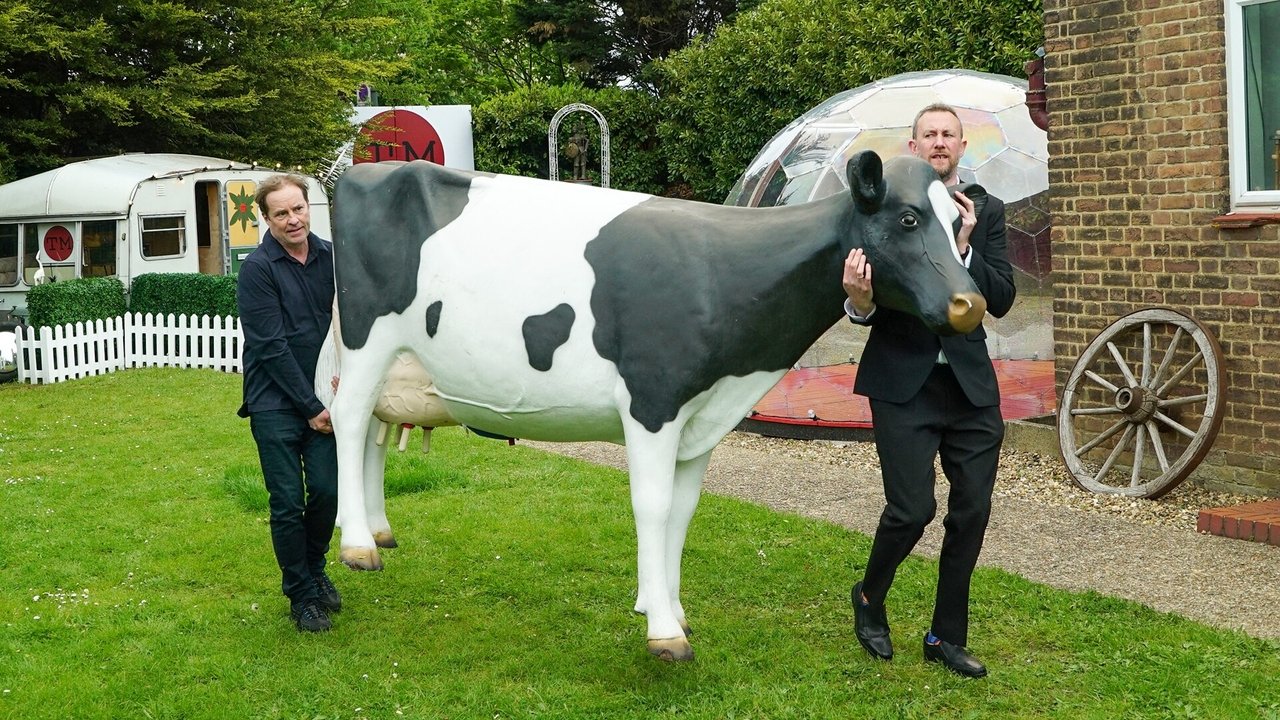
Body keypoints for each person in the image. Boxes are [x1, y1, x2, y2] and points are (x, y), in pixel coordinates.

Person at [842, 103, 1016, 678]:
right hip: (903, 384)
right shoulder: (885, 207)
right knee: (911, 509)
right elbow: (861, 297)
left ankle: (946, 636)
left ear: (961, 147)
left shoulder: (984, 212)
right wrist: (860, 304)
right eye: (929, 135)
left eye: (949, 135)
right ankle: (869, 596)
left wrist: (964, 248)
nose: (939, 143)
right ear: (913, 149)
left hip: (968, 386)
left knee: (972, 512)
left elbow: (1004, 297)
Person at [236, 173, 342, 633]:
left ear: (309, 208)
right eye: (281, 212)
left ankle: (314, 569)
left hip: (325, 397)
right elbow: (270, 345)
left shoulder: (331, 258)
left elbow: (347, 326)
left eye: (298, 208)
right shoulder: (257, 269)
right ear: (266, 217)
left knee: (326, 492)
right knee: (286, 502)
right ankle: (301, 595)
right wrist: (310, 407)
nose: (293, 219)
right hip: (275, 402)